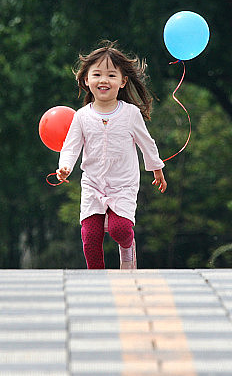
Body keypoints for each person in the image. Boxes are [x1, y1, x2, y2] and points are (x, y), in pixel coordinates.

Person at [56, 41, 167, 270]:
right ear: (86, 80)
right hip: (93, 185)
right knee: (90, 236)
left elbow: (147, 143)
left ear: (122, 81)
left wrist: (157, 169)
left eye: (111, 75)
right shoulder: (82, 116)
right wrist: (65, 166)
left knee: (120, 229)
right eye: (96, 74)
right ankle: (95, 277)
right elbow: (70, 146)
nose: (103, 80)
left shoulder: (130, 114)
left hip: (123, 184)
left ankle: (128, 250)